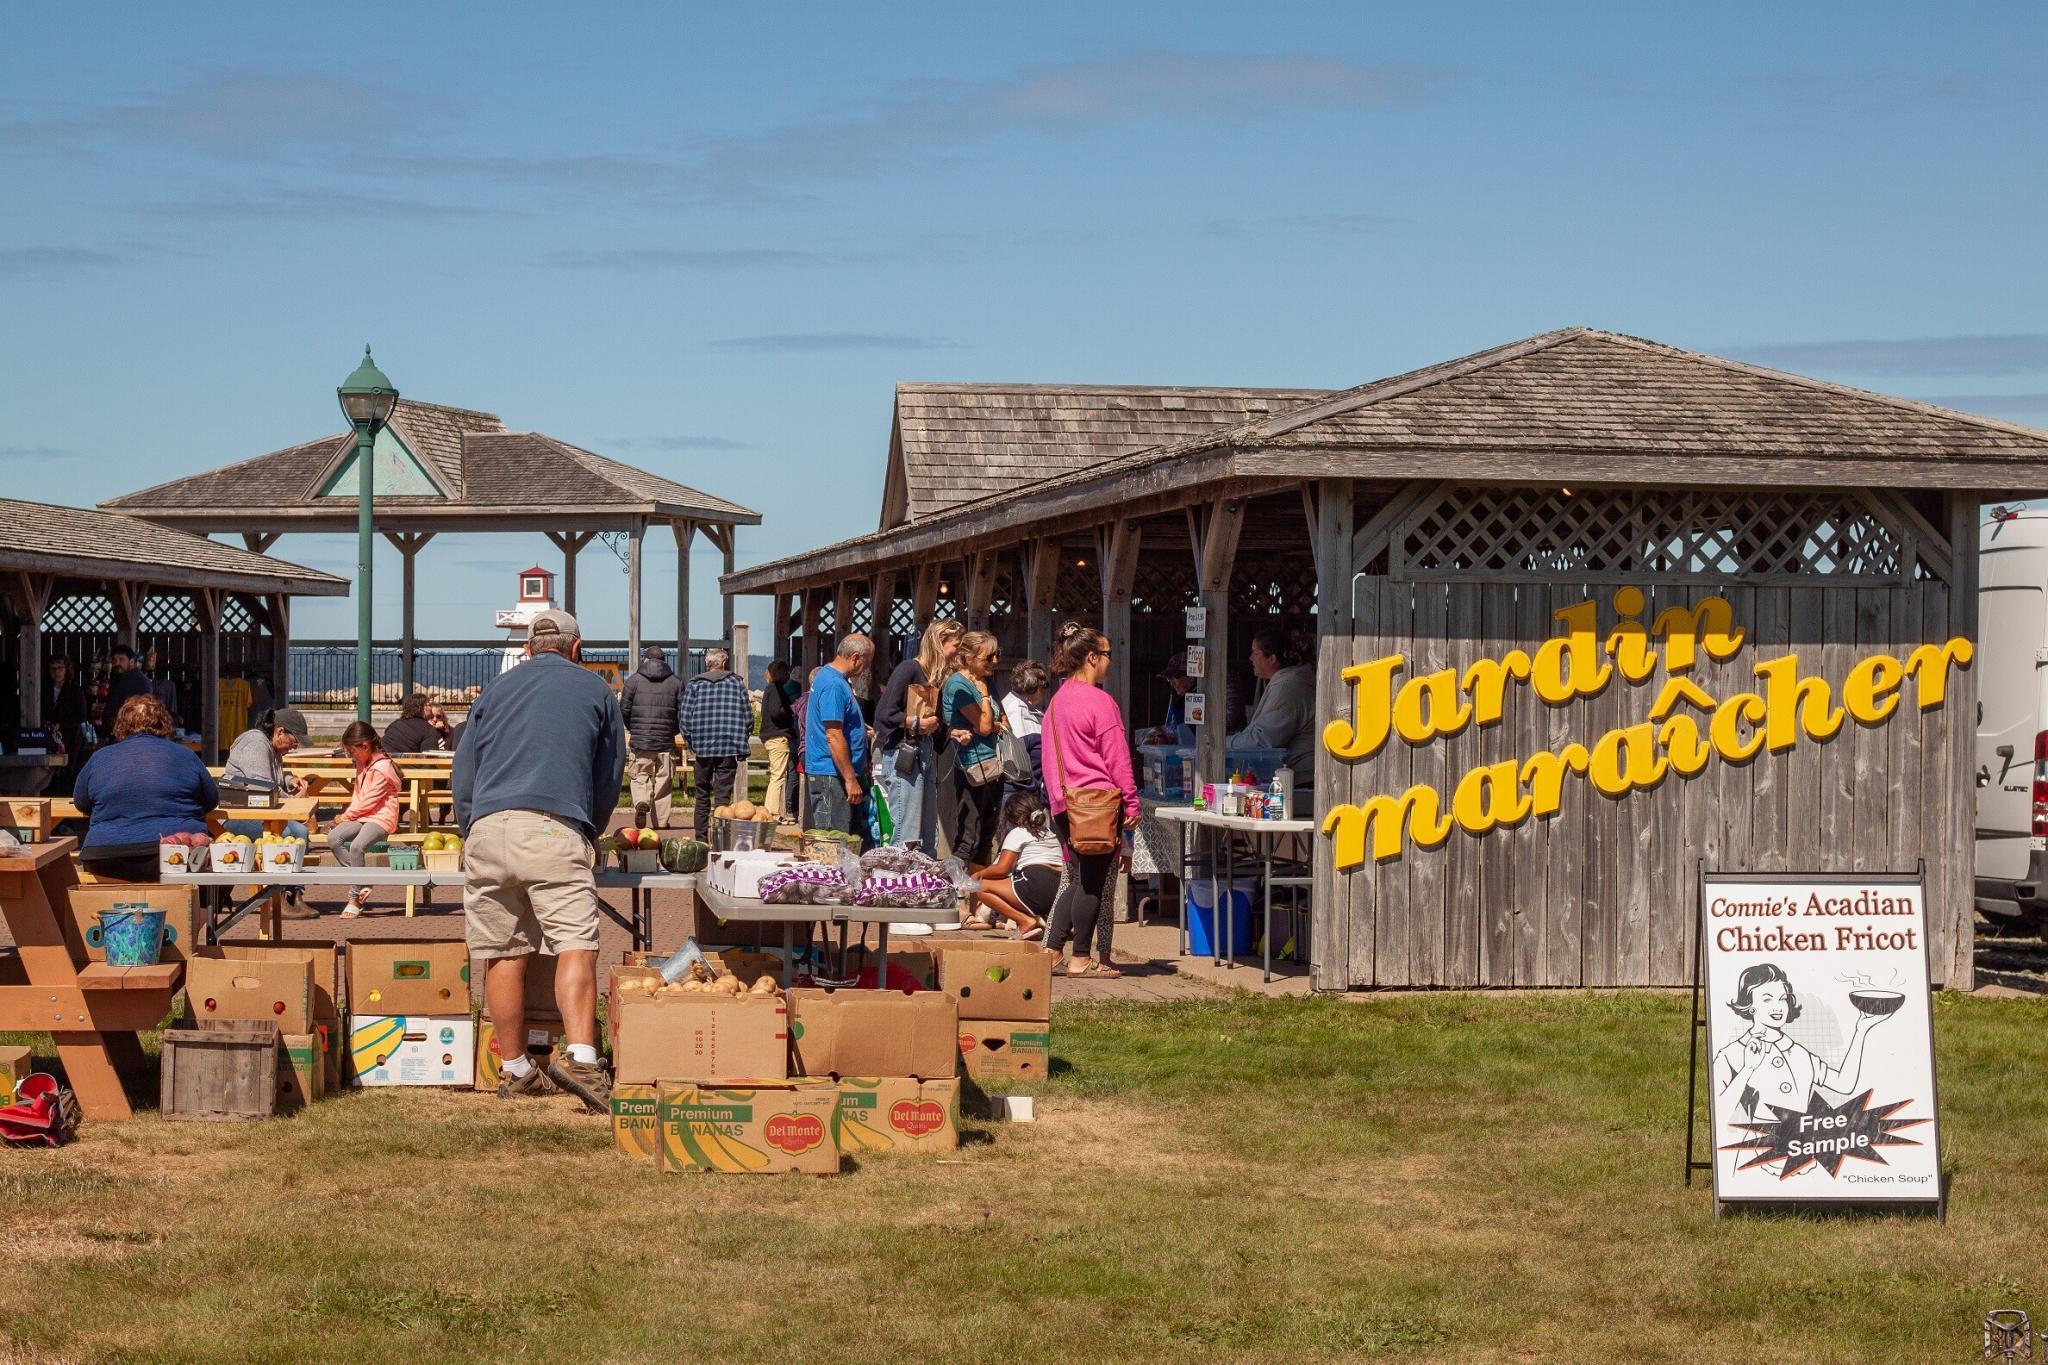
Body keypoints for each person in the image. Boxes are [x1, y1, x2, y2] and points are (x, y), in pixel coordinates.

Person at [453, 607, 625, 1111]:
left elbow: (465, 769)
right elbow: (608, 770)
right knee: (575, 943)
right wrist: (588, 826)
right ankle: (584, 1061)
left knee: (503, 952)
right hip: (554, 825)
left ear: (527, 649)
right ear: (577, 647)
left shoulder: (494, 690)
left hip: (486, 828)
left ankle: (514, 1068)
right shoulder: (595, 690)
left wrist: (471, 826)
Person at [1040, 622, 1140, 978]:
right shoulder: (1101, 702)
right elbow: (1118, 758)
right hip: (1096, 804)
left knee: (1077, 878)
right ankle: (1081, 957)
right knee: (1092, 884)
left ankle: (1052, 949)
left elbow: (1049, 759)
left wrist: (1057, 801)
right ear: (1092, 657)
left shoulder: (1056, 702)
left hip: (1064, 803)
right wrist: (1131, 800)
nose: (1110, 662)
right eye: (1108, 654)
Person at [71, 695, 217, 882]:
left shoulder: (100, 758)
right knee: (216, 870)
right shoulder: (186, 756)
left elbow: (81, 802)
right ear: (163, 723)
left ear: (121, 724)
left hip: (105, 856)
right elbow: (211, 799)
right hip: (174, 854)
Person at [874, 620, 962, 852]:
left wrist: (952, 733)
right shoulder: (908, 669)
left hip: (924, 753)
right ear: (939, 643)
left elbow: (937, 723)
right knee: (906, 830)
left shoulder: (935, 679)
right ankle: (893, 881)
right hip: (905, 754)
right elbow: (884, 713)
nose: (958, 652)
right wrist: (916, 723)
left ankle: (921, 882)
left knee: (926, 829)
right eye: (955, 645)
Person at [941, 630, 1005, 866]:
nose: (995, 662)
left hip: (995, 765)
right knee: (970, 834)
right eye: (988, 657)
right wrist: (986, 697)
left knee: (987, 833)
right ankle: (959, 892)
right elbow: (985, 726)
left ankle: (977, 894)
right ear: (969, 657)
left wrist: (993, 722)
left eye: (996, 655)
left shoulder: (986, 681)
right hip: (972, 767)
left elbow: (1003, 721)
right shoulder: (958, 685)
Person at [328, 722, 404, 917]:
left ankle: (354, 898)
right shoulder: (362, 763)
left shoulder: (382, 769)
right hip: (363, 815)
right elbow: (358, 795)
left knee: (356, 846)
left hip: (381, 817)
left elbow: (369, 801)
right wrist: (346, 818)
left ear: (365, 746)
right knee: (334, 838)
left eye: (352, 751)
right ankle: (363, 879)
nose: (351, 755)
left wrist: (344, 816)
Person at [802, 634, 874, 839]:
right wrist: (850, 778)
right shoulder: (834, 684)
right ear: (855, 657)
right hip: (831, 775)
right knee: (834, 841)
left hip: (836, 773)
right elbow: (833, 734)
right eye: (866, 663)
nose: (865, 669)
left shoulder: (832, 678)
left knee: (846, 839)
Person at [1228, 626, 1317, 788]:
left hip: (1302, 779)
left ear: (1272, 659)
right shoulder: (1285, 681)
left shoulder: (1289, 687)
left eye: (1255, 653)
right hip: (1295, 777)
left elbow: (1263, 739)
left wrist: (1222, 744)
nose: (1250, 658)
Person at [679, 647, 752, 839]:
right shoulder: (737, 683)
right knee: (723, 798)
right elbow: (747, 717)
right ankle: (721, 839)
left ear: (707, 664)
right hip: (728, 747)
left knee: (702, 795)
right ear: (724, 663)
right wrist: (742, 739)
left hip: (703, 749)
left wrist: (691, 743)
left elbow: (685, 719)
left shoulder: (695, 685)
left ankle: (701, 839)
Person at [969, 789, 1055, 939]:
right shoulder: (1048, 832)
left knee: (982, 887)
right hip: (1056, 891)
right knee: (1014, 881)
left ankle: (1025, 921)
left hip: (1036, 885)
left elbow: (1002, 869)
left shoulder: (1019, 832)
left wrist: (978, 874)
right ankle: (1033, 921)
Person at [621, 644, 683, 828]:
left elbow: (624, 709)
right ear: (664, 661)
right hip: (666, 741)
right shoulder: (676, 682)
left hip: (641, 740)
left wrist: (634, 728)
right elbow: (682, 712)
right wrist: (673, 730)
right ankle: (661, 822)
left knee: (640, 776)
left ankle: (641, 801)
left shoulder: (633, 681)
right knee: (664, 781)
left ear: (646, 659)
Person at [1000, 659, 1049, 797]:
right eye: (1045, 685)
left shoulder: (1025, 708)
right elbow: (1015, 760)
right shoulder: (1016, 712)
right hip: (1020, 795)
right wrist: (1036, 786)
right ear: (1036, 687)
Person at [758, 659, 799, 821]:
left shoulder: (770, 689)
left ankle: (769, 811)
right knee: (778, 776)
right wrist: (790, 711)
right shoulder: (776, 690)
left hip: (771, 736)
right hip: (777, 736)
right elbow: (777, 712)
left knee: (776, 775)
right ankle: (772, 812)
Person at [43, 656, 89, 792]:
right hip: (47, 735)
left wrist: (62, 724)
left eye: (60, 668)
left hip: (70, 737)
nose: (57, 672)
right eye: (53, 668)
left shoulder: (75, 689)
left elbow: (81, 715)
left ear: (67, 669)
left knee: (69, 771)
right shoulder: (43, 689)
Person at [101, 644, 151, 736]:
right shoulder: (118, 678)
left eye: (121, 659)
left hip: (131, 735)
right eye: (114, 660)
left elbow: (143, 712)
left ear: (131, 662)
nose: (117, 663)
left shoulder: (139, 681)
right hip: (116, 733)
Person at [382, 692, 450, 754]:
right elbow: (430, 757)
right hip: (408, 765)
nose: (430, 708)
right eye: (429, 705)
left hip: (387, 762)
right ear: (423, 708)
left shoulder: (393, 725)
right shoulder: (429, 730)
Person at [142, 645, 180, 731]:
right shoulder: (144, 682)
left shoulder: (168, 685)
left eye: (154, 660)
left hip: (162, 719)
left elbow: (172, 708)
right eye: (150, 659)